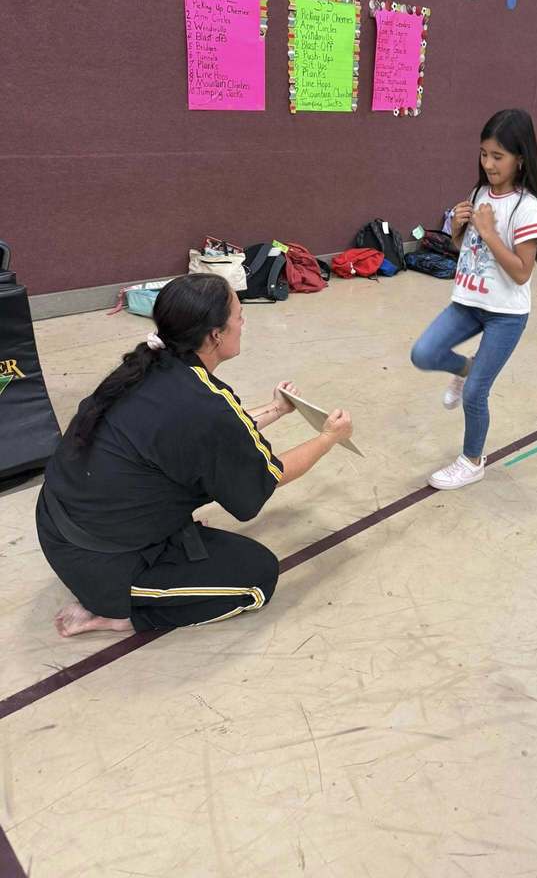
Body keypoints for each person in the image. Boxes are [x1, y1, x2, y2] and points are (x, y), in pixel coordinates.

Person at [37, 273, 353, 637]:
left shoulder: (152, 367)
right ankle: (119, 616)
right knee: (258, 577)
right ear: (216, 334)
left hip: (60, 527)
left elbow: (216, 439)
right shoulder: (205, 405)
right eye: (238, 315)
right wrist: (329, 437)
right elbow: (269, 475)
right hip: (102, 568)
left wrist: (276, 409)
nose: (243, 321)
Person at [411, 109, 537, 490]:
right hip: (468, 301)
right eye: (483, 154)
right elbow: (467, 249)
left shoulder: (527, 207)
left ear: (520, 158)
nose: (488, 164)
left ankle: (472, 460)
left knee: (477, 392)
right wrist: (459, 231)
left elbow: (521, 271)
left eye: (498, 156)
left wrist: (490, 231)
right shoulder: (478, 193)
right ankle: (466, 369)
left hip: (505, 315)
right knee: (423, 353)